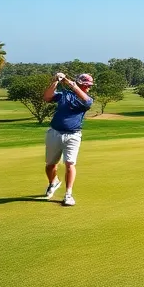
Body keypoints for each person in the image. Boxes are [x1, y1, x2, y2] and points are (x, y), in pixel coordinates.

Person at [41, 72, 94, 207]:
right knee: (50, 165)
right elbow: (47, 97)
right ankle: (53, 182)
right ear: (81, 84)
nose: (89, 88)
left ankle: (68, 194)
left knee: (70, 164)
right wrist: (56, 81)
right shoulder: (64, 95)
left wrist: (70, 83)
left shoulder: (87, 99)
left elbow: (87, 101)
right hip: (54, 132)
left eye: (89, 86)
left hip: (73, 135)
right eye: (87, 85)